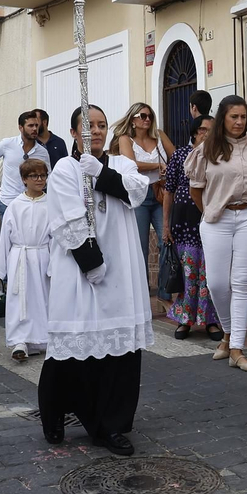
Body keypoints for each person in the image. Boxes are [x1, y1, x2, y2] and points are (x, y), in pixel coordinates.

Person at [42, 104, 156, 455]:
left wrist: (102, 174)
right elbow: (67, 217)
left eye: (102, 125)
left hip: (121, 271)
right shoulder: (63, 168)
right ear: (74, 132)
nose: (97, 130)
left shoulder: (119, 164)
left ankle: (111, 423)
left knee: (119, 350)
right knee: (74, 345)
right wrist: (89, 262)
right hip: (81, 270)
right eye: (88, 125)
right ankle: (55, 412)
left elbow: (136, 191)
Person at [186, 95, 247, 373]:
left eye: (243, 117)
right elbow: (196, 188)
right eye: (233, 117)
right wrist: (213, 210)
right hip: (216, 218)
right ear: (223, 118)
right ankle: (227, 334)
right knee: (216, 283)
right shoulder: (207, 149)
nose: (239, 122)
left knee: (240, 282)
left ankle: (237, 348)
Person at [109, 102, 174, 302]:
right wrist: (157, 165)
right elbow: (131, 164)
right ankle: (142, 296)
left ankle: (165, 294)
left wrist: (166, 170)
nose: (147, 119)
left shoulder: (160, 136)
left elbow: (176, 157)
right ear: (133, 119)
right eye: (142, 116)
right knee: (140, 247)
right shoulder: (125, 139)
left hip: (160, 193)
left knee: (167, 241)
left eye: (149, 116)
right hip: (138, 195)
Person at [165, 115, 220, 340]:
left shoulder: (219, 158)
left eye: (211, 130)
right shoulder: (179, 156)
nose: (207, 134)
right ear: (195, 133)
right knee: (189, 274)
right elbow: (169, 190)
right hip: (184, 224)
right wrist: (165, 226)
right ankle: (185, 320)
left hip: (212, 222)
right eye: (203, 130)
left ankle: (211, 321)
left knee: (209, 275)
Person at [0, 158, 51, 361]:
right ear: (24, 179)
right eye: (34, 176)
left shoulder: (51, 203)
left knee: (43, 299)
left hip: (43, 256)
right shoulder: (15, 205)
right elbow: (5, 239)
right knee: (20, 299)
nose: (40, 179)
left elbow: (56, 236)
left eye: (43, 175)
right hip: (20, 258)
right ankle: (19, 342)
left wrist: (55, 264)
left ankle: (41, 339)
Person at [0, 112, 48, 217]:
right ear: (21, 127)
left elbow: (48, 174)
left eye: (36, 125)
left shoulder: (42, 151)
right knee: (7, 233)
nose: (34, 129)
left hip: (32, 203)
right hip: (8, 201)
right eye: (30, 125)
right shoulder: (8, 144)